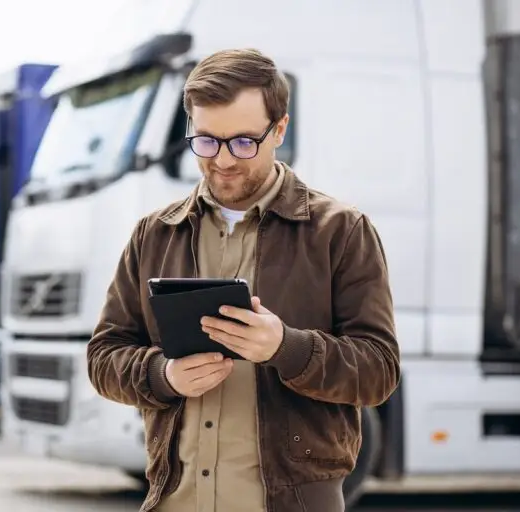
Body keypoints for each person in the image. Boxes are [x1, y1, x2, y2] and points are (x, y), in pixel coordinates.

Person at [86, 48, 400, 512]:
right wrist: (163, 375)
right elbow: (103, 357)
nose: (224, 160)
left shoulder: (342, 232)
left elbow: (378, 371)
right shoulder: (153, 234)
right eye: (207, 141)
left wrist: (286, 348)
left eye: (243, 142)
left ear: (279, 130)